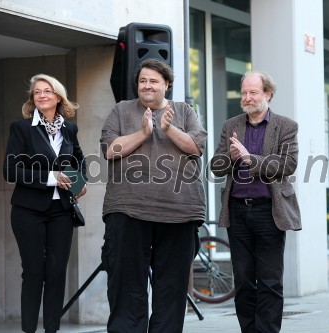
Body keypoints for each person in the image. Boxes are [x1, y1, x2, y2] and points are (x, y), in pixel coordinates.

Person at [100, 58, 207, 333]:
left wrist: (169, 129)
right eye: (142, 81)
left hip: (180, 212)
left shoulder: (184, 111)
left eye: (154, 81)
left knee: (171, 288)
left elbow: (196, 147)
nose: (147, 86)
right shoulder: (121, 110)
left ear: (167, 85)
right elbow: (111, 150)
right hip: (127, 210)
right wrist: (144, 132)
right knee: (125, 285)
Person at [210, 71, 301, 333]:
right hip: (237, 212)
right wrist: (228, 156)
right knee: (244, 281)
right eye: (244, 93)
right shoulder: (231, 125)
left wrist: (251, 158)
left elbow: (288, 165)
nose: (247, 98)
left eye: (253, 92)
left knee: (270, 281)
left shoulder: (286, 126)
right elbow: (216, 168)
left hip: (269, 211)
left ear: (267, 94)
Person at [3, 74, 87, 333]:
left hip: (61, 211)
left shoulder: (69, 129)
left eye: (47, 91)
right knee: (33, 272)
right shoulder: (21, 128)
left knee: (56, 273)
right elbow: (10, 170)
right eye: (37, 92)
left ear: (58, 97)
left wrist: (79, 182)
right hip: (28, 211)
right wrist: (52, 178)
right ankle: (29, 330)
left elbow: (79, 160)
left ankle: (52, 330)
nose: (41, 95)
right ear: (33, 99)